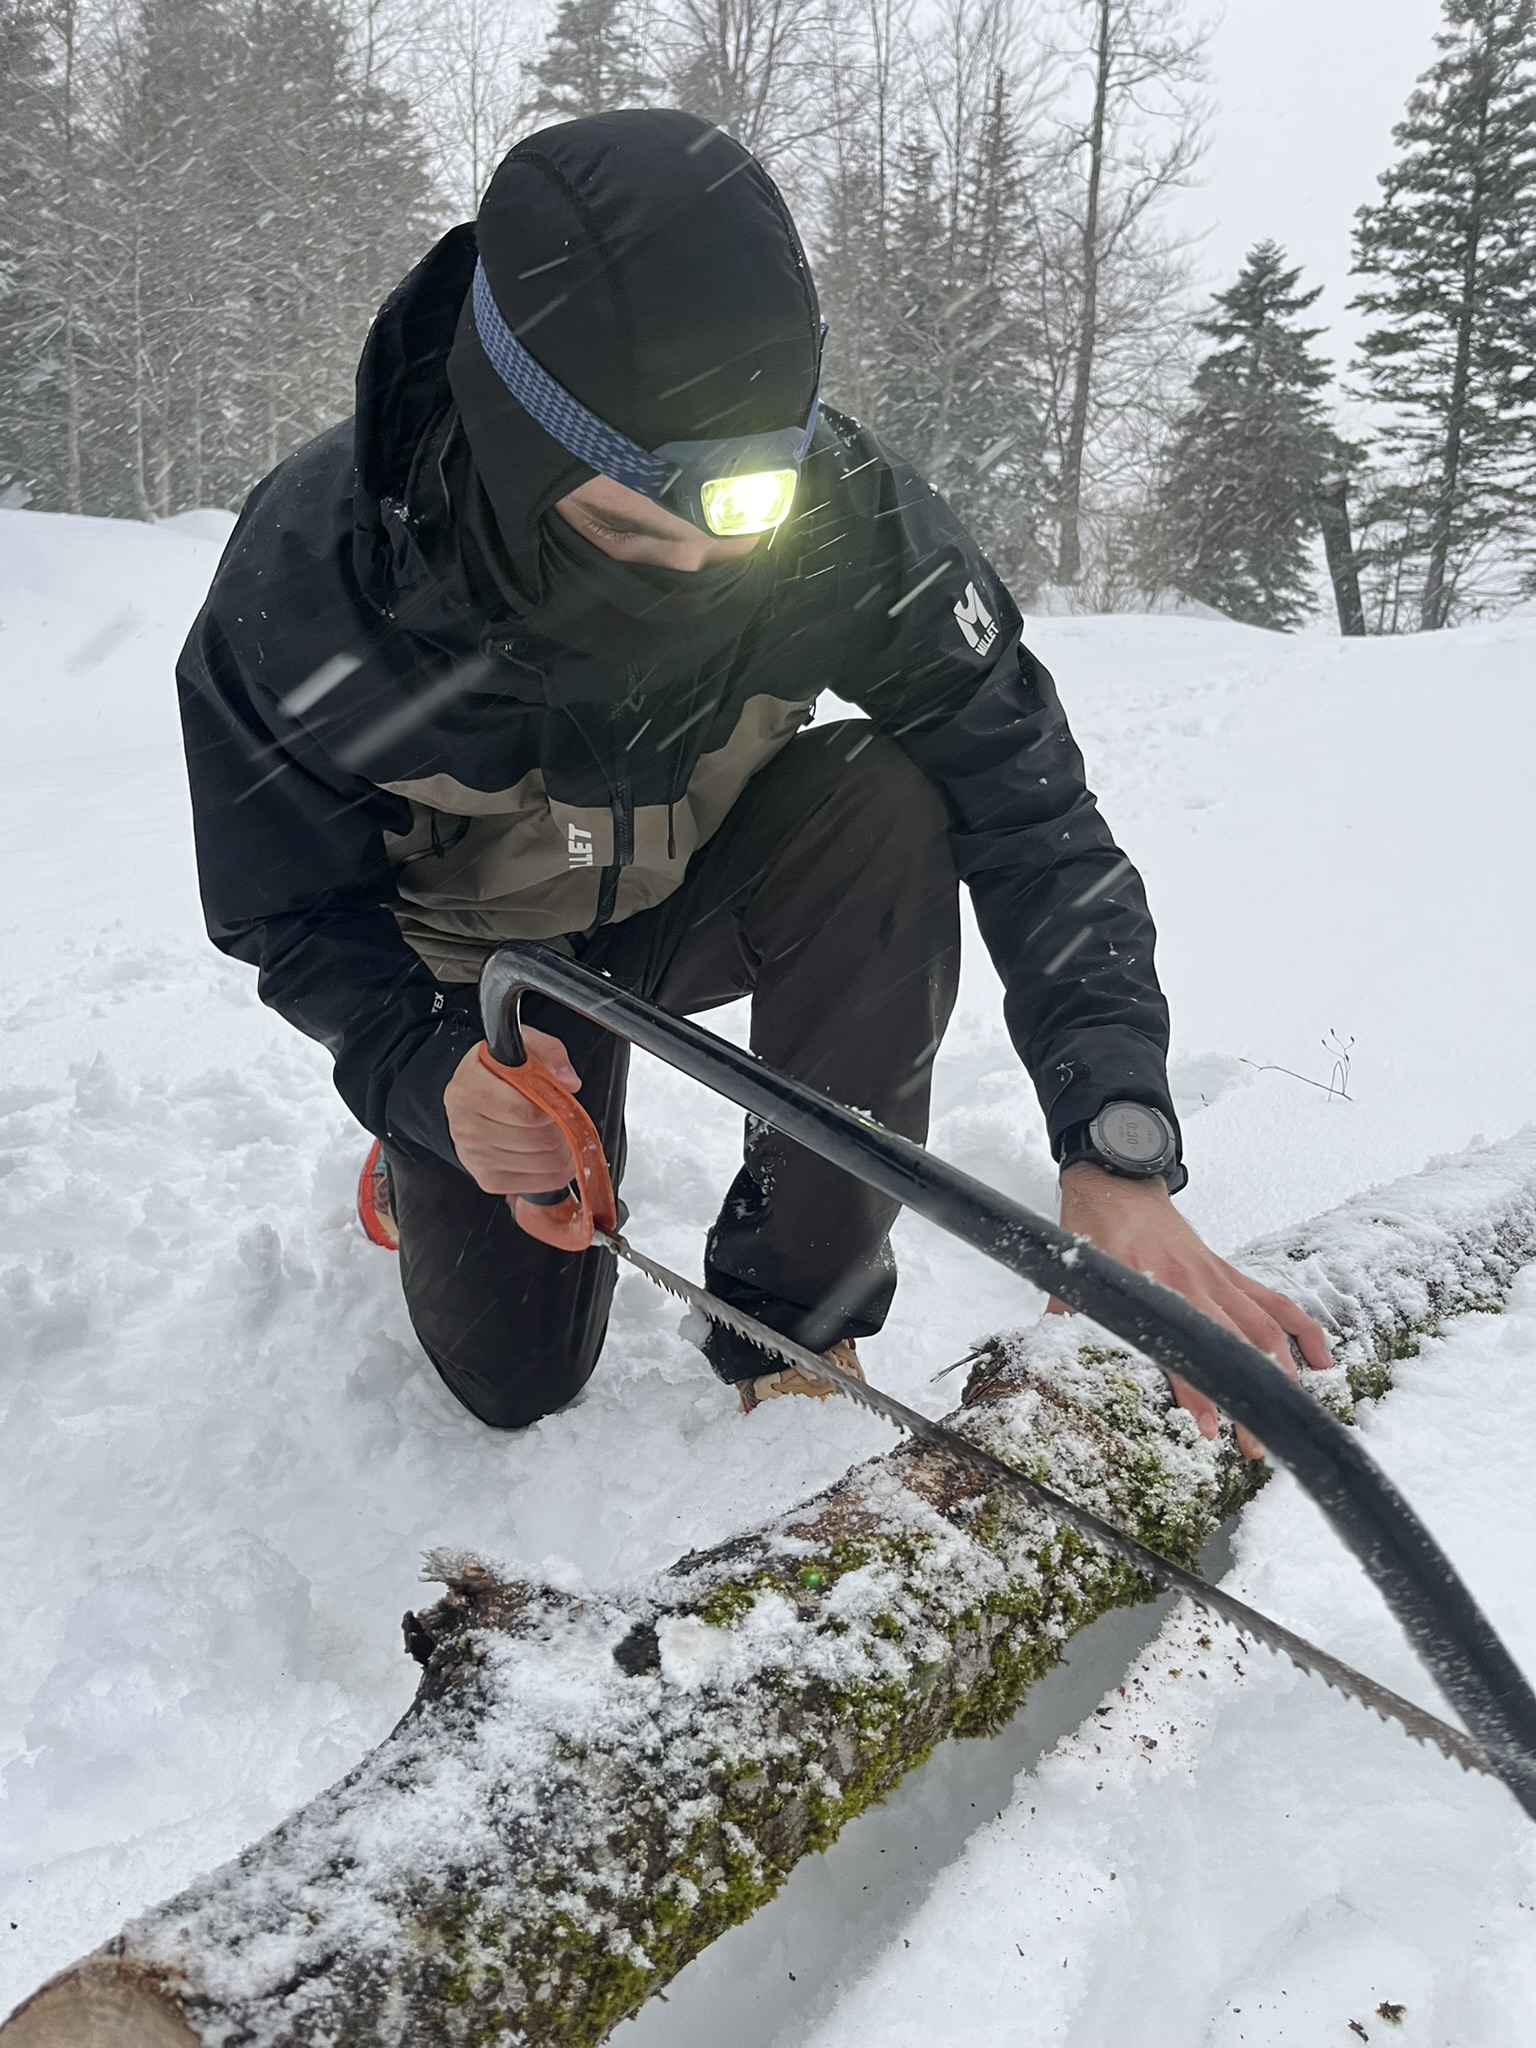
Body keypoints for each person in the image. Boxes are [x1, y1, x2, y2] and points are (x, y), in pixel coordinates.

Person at [177, 108, 1330, 1435]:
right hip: (479, 985)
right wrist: (421, 1074)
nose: (703, 568)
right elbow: (287, 912)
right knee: (513, 1383)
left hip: (687, 894)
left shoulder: (841, 519)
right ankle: (430, 1159)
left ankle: (794, 1316)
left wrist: (1116, 1138)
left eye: (739, 518)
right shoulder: (312, 588)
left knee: (893, 801)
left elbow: (1028, 801)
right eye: (635, 526)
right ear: (518, 438)